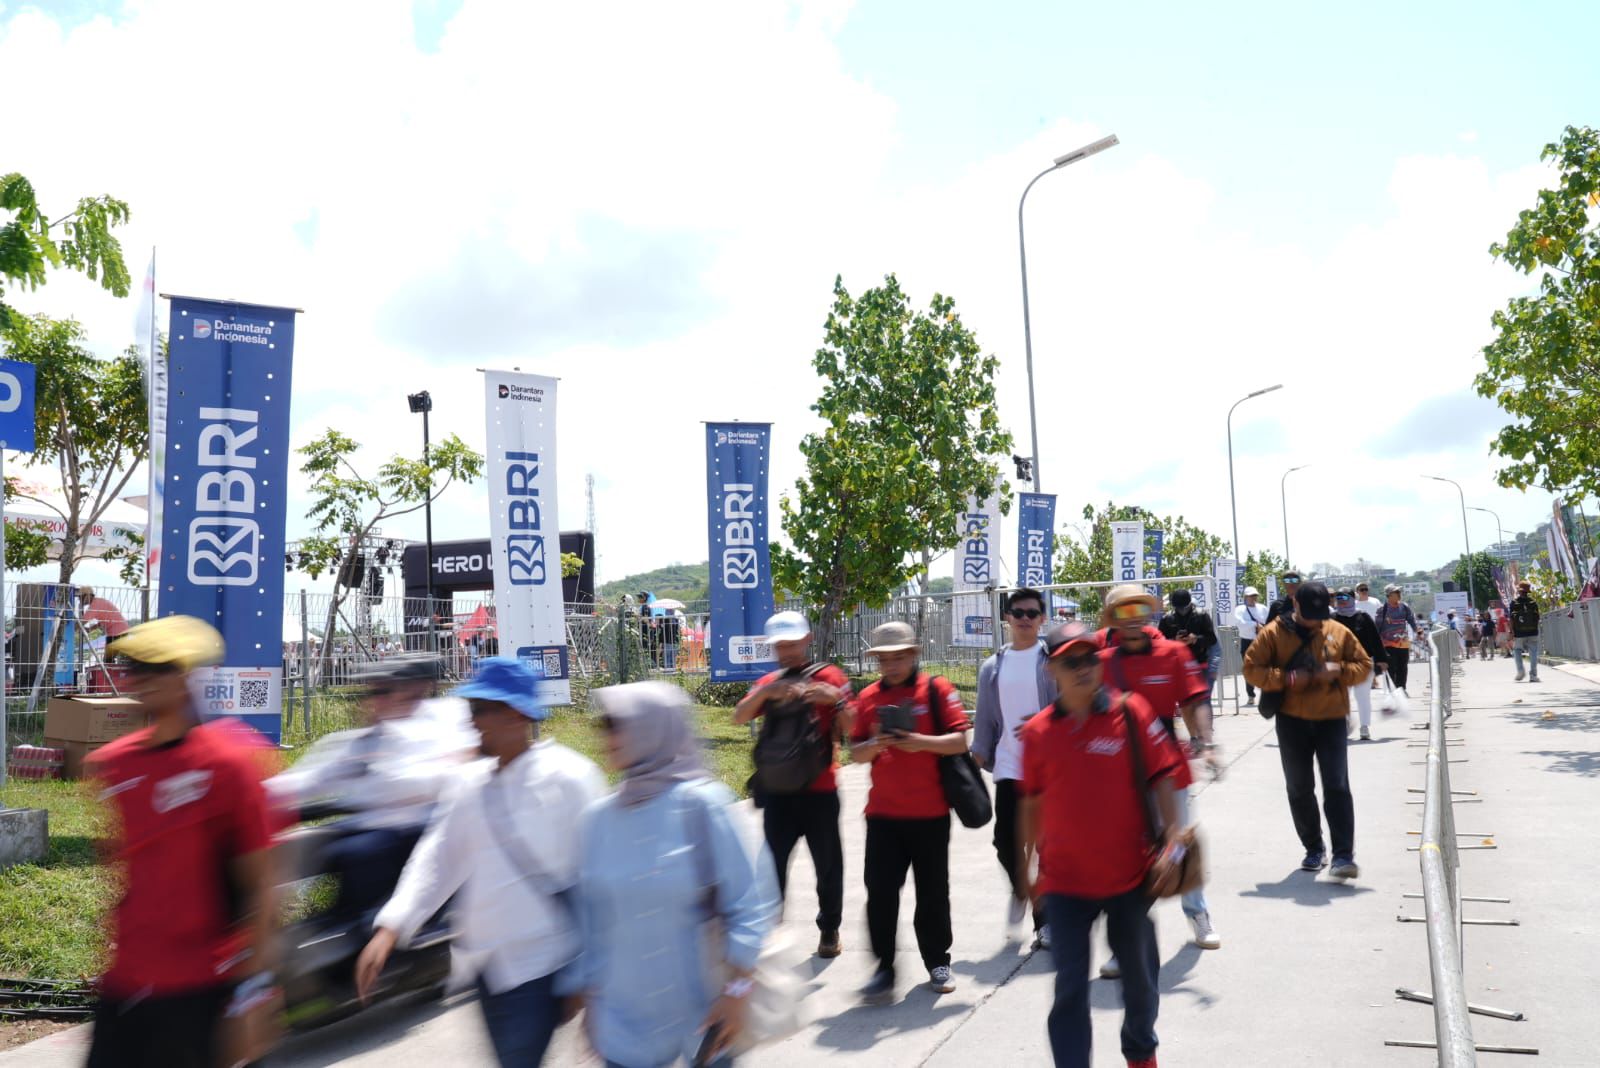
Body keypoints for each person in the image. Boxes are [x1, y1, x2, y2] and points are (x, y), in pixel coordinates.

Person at [357, 658, 606, 1066]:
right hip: (485, 967)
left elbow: (597, 880)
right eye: (470, 709)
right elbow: (438, 857)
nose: (472, 722)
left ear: (517, 714)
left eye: (480, 709)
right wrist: (390, 928)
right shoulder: (467, 783)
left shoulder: (570, 778)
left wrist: (589, 977)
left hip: (541, 967)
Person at [84, 617, 277, 1068]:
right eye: (135, 667)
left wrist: (252, 991)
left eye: (158, 668)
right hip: (127, 981)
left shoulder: (229, 767)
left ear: (187, 676)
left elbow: (261, 889)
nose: (141, 678)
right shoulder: (115, 764)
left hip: (199, 988)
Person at [577, 682, 779, 1067]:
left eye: (616, 724)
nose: (606, 736)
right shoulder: (598, 819)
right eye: (603, 725)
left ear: (654, 727)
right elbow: (592, 919)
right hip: (623, 1027)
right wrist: (592, 1001)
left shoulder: (703, 805)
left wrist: (737, 991)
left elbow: (749, 904)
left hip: (703, 1020)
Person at [1019, 621, 1183, 1068]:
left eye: (1089, 657)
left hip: (1129, 877)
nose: (1083, 668)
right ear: (1051, 669)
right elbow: (1030, 804)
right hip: (1065, 884)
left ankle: (1141, 1055)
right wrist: (1027, 868)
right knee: (1070, 989)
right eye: (1070, 661)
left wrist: (1172, 843)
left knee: (1141, 983)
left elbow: (1163, 777)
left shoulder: (1131, 712)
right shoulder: (1037, 733)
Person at [267, 656, 473, 922]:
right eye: (370, 692)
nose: (372, 701)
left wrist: (377, 776)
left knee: (358, 855)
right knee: (296, 847)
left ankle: (363, 929)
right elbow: (315, 777)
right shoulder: (372, 737)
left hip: (416, 835)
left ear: (416, 689)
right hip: (368, 826)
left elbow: (435, 778)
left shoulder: (446, 719)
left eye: (383, 691)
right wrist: (257, 794)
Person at [849, 621, 972, 1004]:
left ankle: (938, 962)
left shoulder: (936, 690)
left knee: (933, 892)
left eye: (898, 657)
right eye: (884, 659)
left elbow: (959, 741)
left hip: (930, 814)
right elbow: (855, 753)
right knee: (880, 894)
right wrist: (876, 742)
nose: (891, 664)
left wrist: (919, 742)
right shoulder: (868, 697)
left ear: (913, 655)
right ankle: (883, 969)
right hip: (883, 816)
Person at [1098, 584, 1220, 961]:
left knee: (1179, 841)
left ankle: (1197, 912)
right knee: (1127, 853)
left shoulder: (1173, 653)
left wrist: (1206, 741)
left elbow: (1196, 700)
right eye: (1123, 611)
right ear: (1112, 619)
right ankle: (1127, 940)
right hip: (1119, 768)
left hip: (1169, 763)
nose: (1132, 618)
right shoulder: (1100, 662)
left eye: (1139, 609)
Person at [733, 610, 854, 958]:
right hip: (778, 792)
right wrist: (768, 692)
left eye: (791, 644)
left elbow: (854, 726)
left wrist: (836, 699)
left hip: (820, 790)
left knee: (827, 865)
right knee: (772, 866)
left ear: (807, 640)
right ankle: (771, 930)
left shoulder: (830, 677)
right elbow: (739, 716)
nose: (785, 652)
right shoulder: (769, 681)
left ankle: (829, 930)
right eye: (779, 646)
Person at [1244, 582, 1371, 879]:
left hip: (1332, 718)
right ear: (1296, 605)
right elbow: (1251, 668)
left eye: (1320, 615)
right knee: (1299, 788)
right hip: (1292, 721)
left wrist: (1339, 670)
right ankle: (1314, 848)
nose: (1315, 621)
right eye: (1309, 615)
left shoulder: (1338, 631)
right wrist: (1286, 678)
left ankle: (1343, 856)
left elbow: (1364, 665)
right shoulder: (1273, 633)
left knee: (1337, 785)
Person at [972, 587, 1057, 946]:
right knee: (1005, 841)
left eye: (1031, 613)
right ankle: (1022, 889)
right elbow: (984, 719)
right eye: (1017, 612)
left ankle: (1044, 922)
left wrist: (1044, 724)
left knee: (1046, 848)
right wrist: (975, 759)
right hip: (1009, 765)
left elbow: (1070, 706)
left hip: (1049, 768)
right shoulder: (993, 667)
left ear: (1042, 619)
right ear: (1007, 617)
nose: (1024, 619)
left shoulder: (1053, 661)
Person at [1331, 587, 1385, 741]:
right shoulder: (1332, 618)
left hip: (1363, 663)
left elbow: (1375, 640)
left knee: (1362, 696)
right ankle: (1345, 723)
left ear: (1352, 599)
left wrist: (1382, 659)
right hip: (1340, 665)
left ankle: (1364, 726)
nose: (1341, 601)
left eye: (1344, 597)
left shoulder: (1363, 617)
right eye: (1338, 598)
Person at [1157, 588, 1218, 687]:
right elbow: (1158, 643)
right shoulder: (1167, 619)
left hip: (1198, 663)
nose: (1182, 611)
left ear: (1190, 604)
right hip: (1176, 666)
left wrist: (1196, 639)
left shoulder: (1202, 615)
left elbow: (1212, 639)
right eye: (1178, 608)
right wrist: (1174, 641)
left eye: (1184, 607)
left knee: (1201, 695)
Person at [1375, 586, 1426, 696]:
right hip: (1388, 644)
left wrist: (1419, 633)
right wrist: (1377, 646)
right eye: (1396, 592)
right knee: (1391, 668)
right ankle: (1392, 691)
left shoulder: (1404, 607)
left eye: (1399, 591)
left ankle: (1402, 689)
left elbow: (1412, 621)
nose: (1399, 593)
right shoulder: (1382, 610)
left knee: (1402, 668)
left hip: (1403, 643)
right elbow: (1377, 628)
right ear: (1389, 595)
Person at [1234, 587, 1267, 706]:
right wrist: (1255, 624)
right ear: (1245, 597)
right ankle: (1251, 695)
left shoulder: (1263, 608)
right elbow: (1240, 623)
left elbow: (1270, 622)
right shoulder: (1240, 609)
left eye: (1255, 595)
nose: (1253, 598)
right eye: (1250, 596)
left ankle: (1265, 694)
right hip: (1247, 641)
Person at [1510, 580, 1542, 682]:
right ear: (1528, 591)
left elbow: (1511, 619)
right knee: (1533, 653)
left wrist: (1511, 631)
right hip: (1533, 631)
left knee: (1517, 651)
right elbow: (1537, 618)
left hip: (1519, 632)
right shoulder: (1533, 602)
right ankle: (1533, 675)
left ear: (1519, 591)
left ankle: (1520, 671)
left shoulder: (1514, 603)